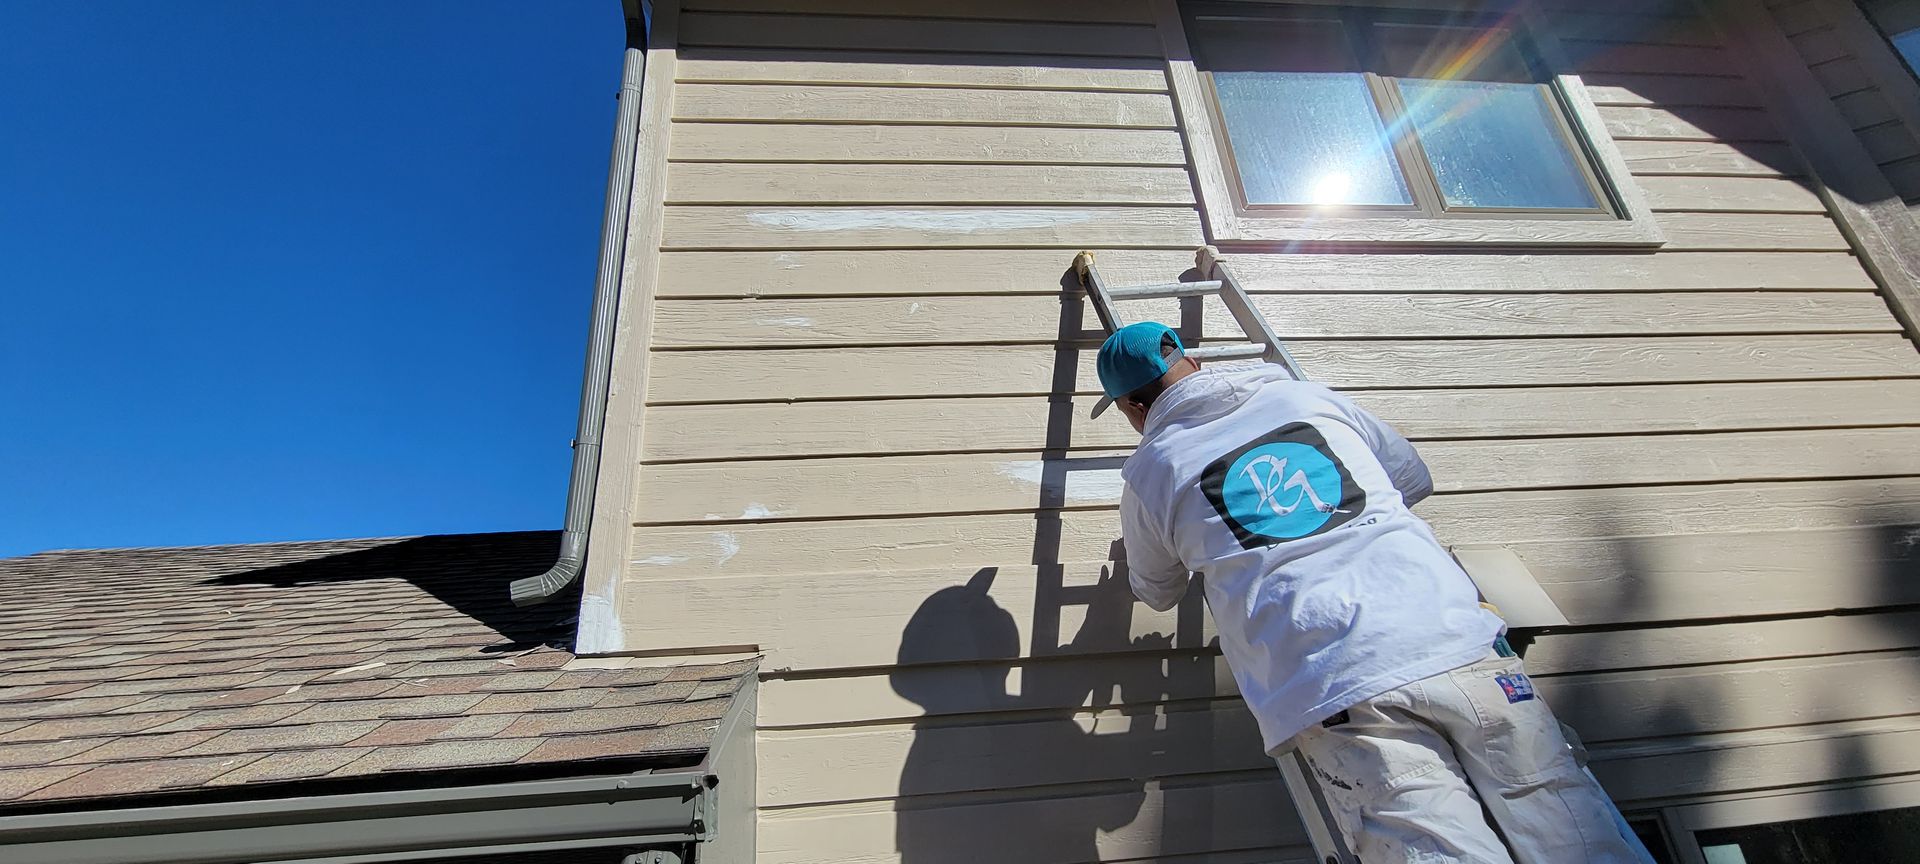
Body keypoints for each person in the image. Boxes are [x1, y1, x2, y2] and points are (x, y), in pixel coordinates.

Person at [1099, 321, 1637, 864]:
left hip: (1340, 683)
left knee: (1440, 850)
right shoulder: (1302, 396)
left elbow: (1158, 590)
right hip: (1458, 644)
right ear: (1191, 361)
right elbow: (1411, 479)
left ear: (1133, 409)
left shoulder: (1153, 468)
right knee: (1574, 834)